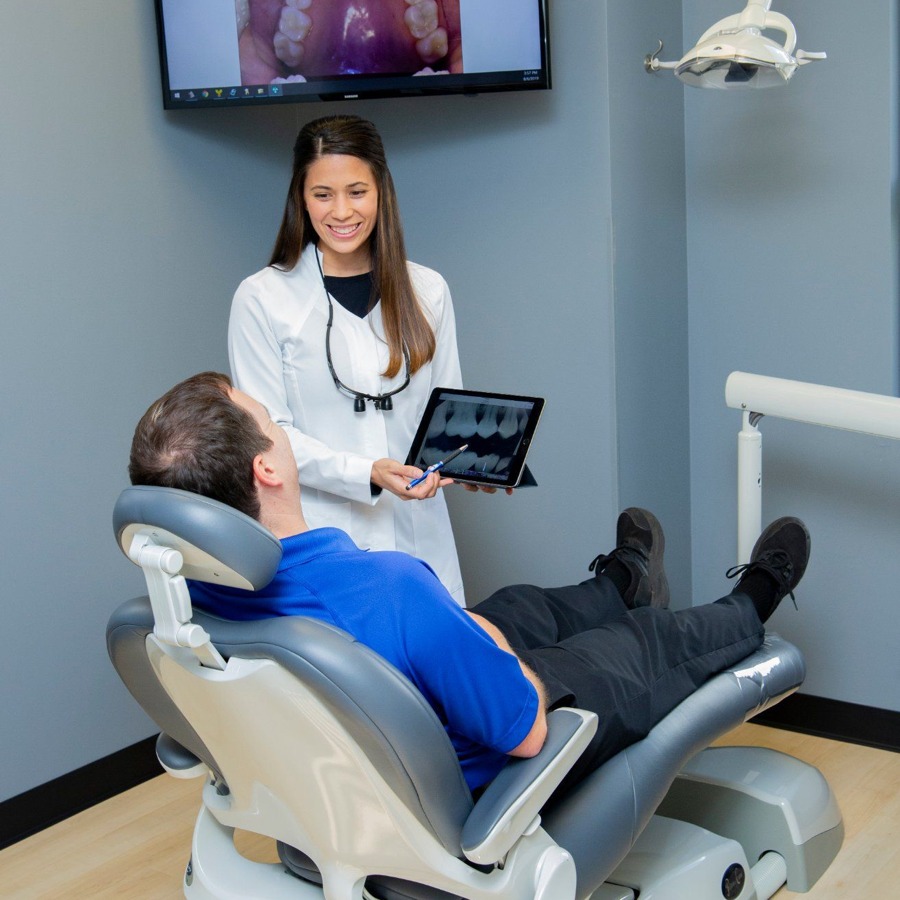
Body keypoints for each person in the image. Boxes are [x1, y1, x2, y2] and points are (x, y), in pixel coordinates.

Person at [128, 372, 812, 794]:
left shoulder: (187, 614)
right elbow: (525, 733)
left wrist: (477, 633)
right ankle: (752, 597)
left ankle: (620, 583)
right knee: (645, 640)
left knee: (518, 605)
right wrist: (495, 653)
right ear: (268, 472)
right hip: (483, 772)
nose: (281, 430)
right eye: (273, 424)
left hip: (359, 759)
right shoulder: (390, 589)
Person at [229, 114, 470, 605]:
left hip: (420, 542)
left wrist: (478, 465)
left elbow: (447, 417)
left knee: (436, 677)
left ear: (381, 191)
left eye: (357, 191)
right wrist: (366, 472)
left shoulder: (428, 290)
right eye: (323, 194)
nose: (341, 211)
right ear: (301, 197)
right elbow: (267, 439)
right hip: (324, 545)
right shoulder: (262, 298)